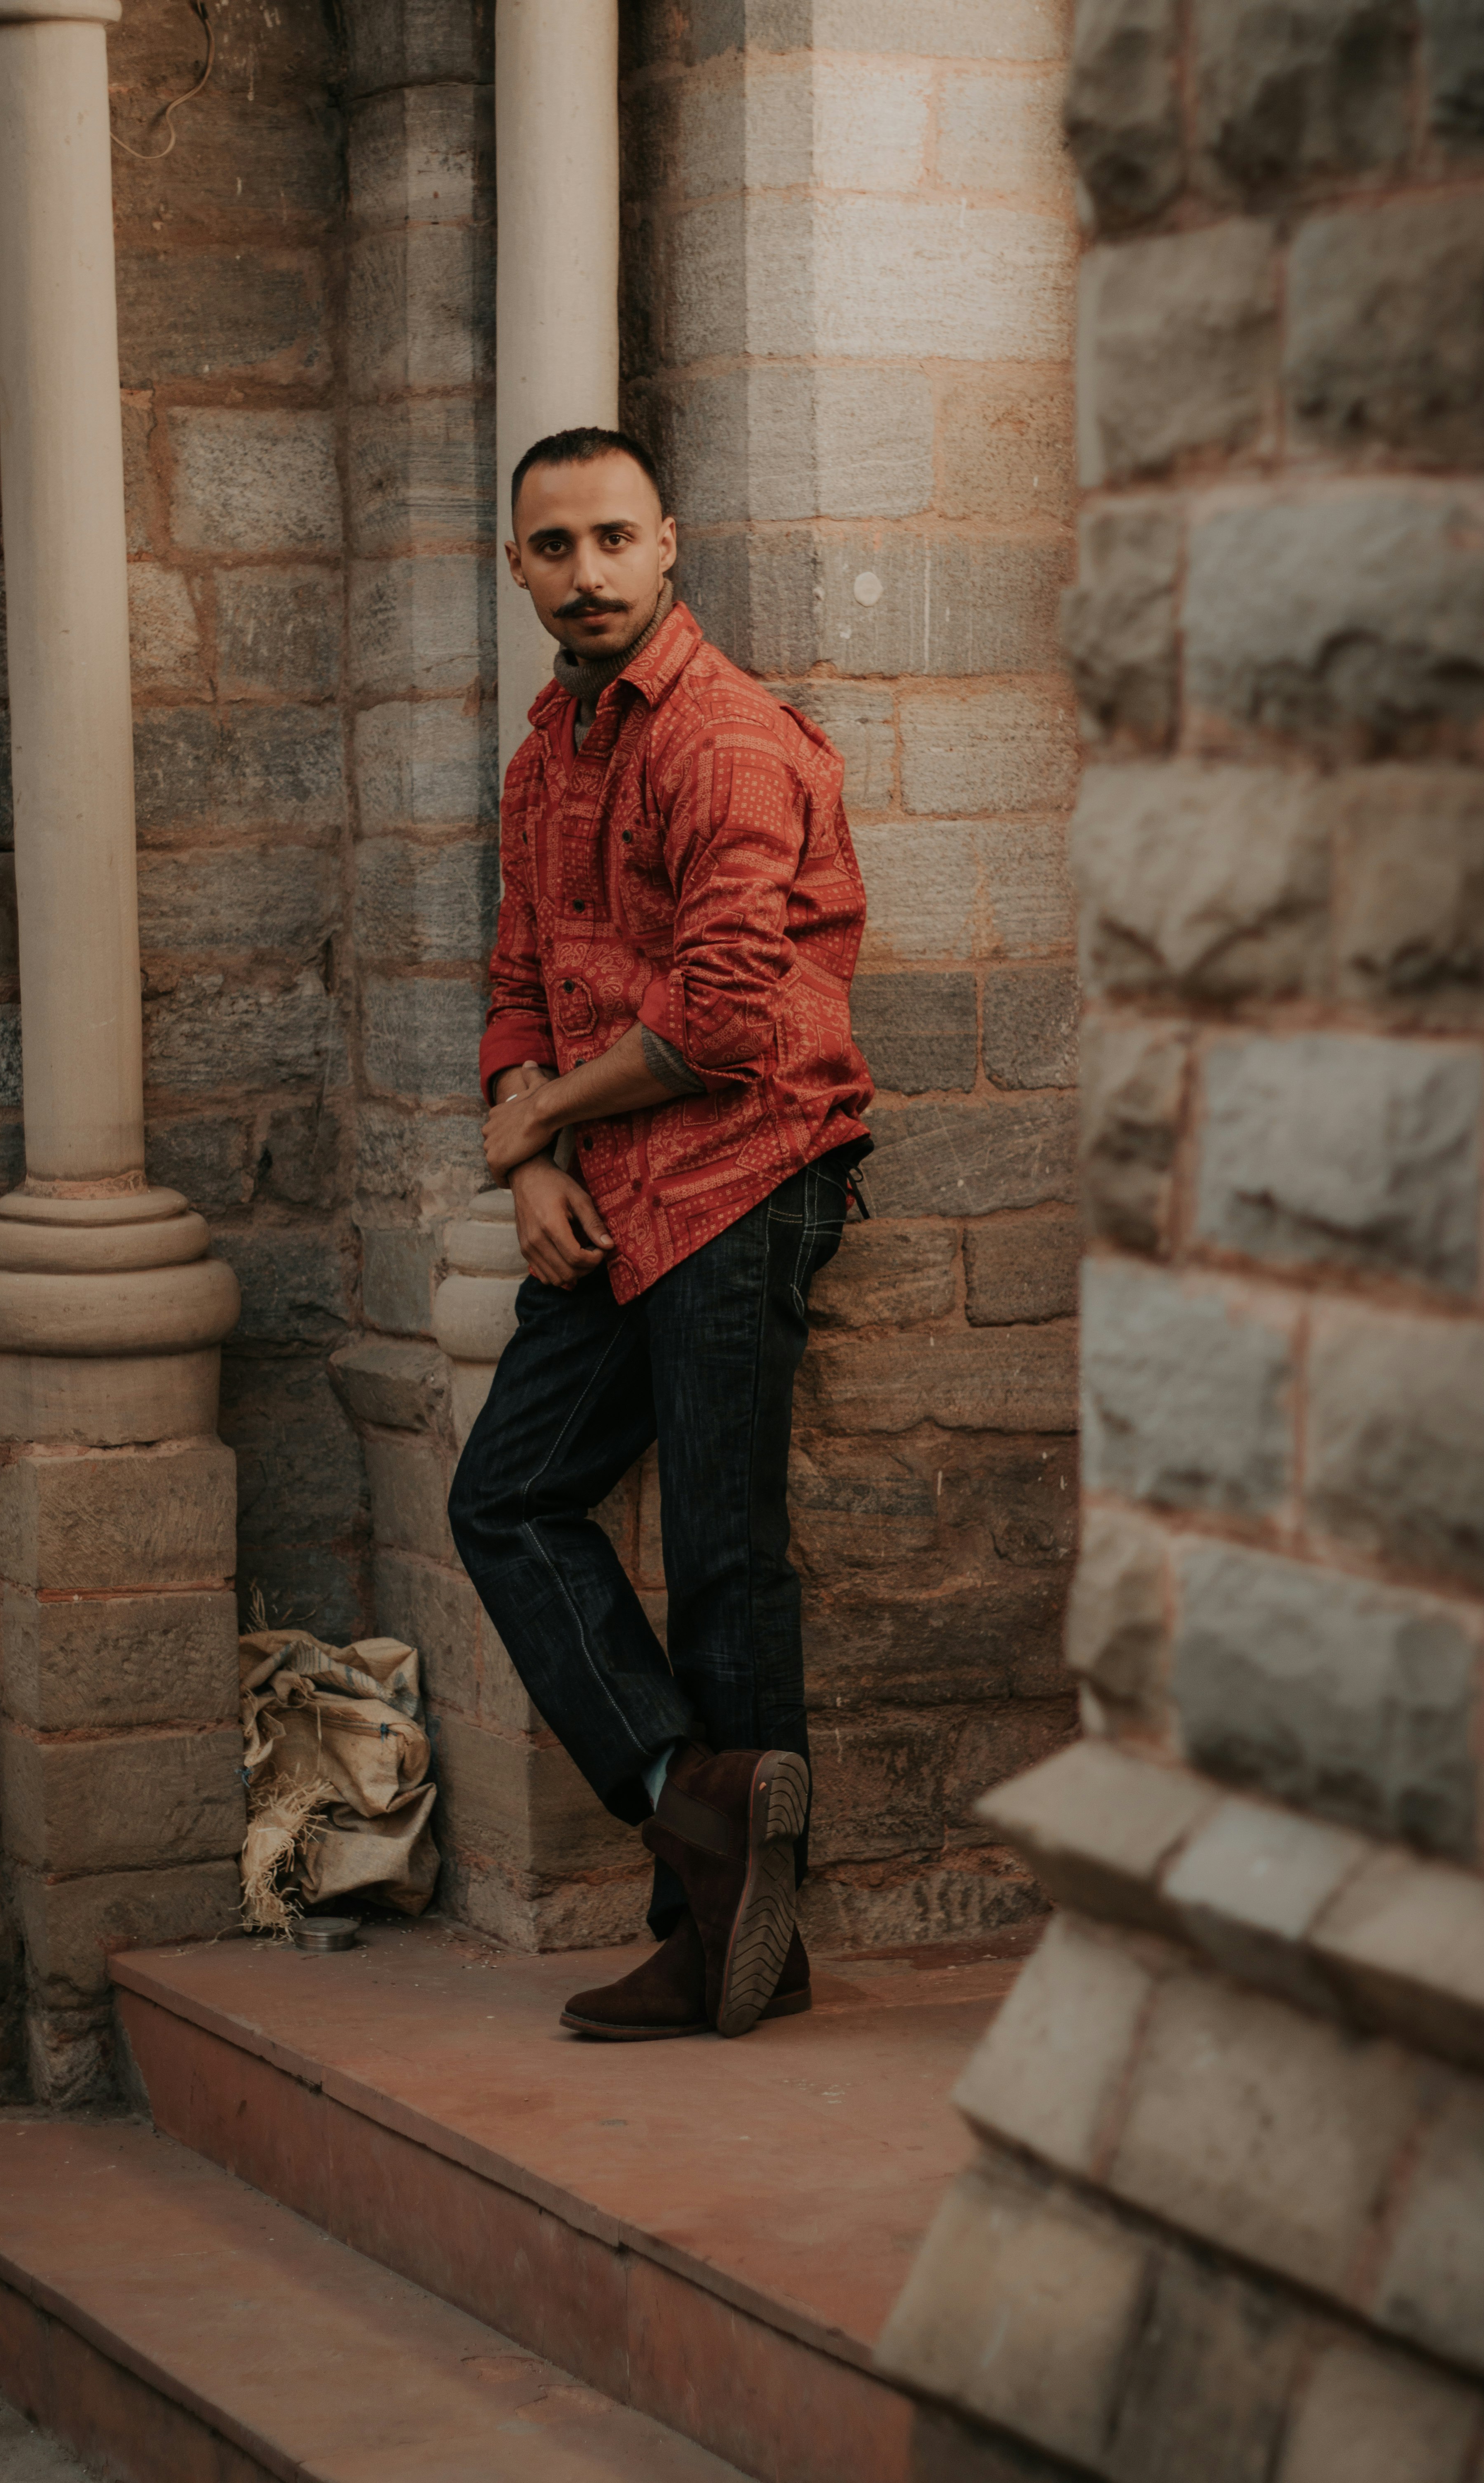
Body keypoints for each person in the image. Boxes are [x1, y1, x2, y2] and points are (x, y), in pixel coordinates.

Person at [448, 425, 873, 2042]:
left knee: (722, 1558)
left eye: (613, 538)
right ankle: (688, 1809)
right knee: (507, 1498)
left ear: (668, 544)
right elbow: (513, 978)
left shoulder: (725, 742)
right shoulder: (544, 756)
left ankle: (732, 1952)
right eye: (553, 546)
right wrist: (530, 1158)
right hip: (615, 1191)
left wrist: (542, 1118)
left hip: (746, 1169)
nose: (586, 572)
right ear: (519, 567)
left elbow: (719, 1024)